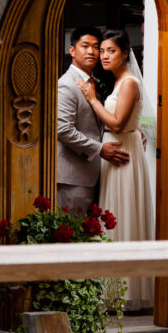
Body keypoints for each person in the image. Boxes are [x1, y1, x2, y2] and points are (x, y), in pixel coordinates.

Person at [79, 28, 154, 311]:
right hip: (117, 148)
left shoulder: (129, 82)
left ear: (125, 53)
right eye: (103, 51)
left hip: (121, 150)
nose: (105, 56)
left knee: (123, 215)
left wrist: (92, 98)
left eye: (111, 51)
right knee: (114, 215)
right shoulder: (119, 82)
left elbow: (119, 123)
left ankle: (126, 292)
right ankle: (113, 290)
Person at [56, 26, 129, 214]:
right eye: (85, 46)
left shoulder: (95, 82)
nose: (91, 51)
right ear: (72, 50)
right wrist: (99, 149)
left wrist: (134, 132)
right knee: (72, 235)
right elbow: (62, 129)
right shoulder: (66, 84)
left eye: (96, 47)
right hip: (74, 178)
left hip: (96, 175)